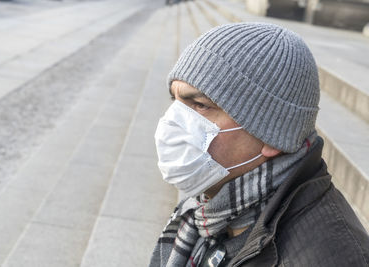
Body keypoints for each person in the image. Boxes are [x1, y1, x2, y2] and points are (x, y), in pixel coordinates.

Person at [149, 22, 369, 267]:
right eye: (176, 100)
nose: (172, 122)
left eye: (200, 105)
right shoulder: (215, 208)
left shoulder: (327, 257)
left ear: (272, 134)